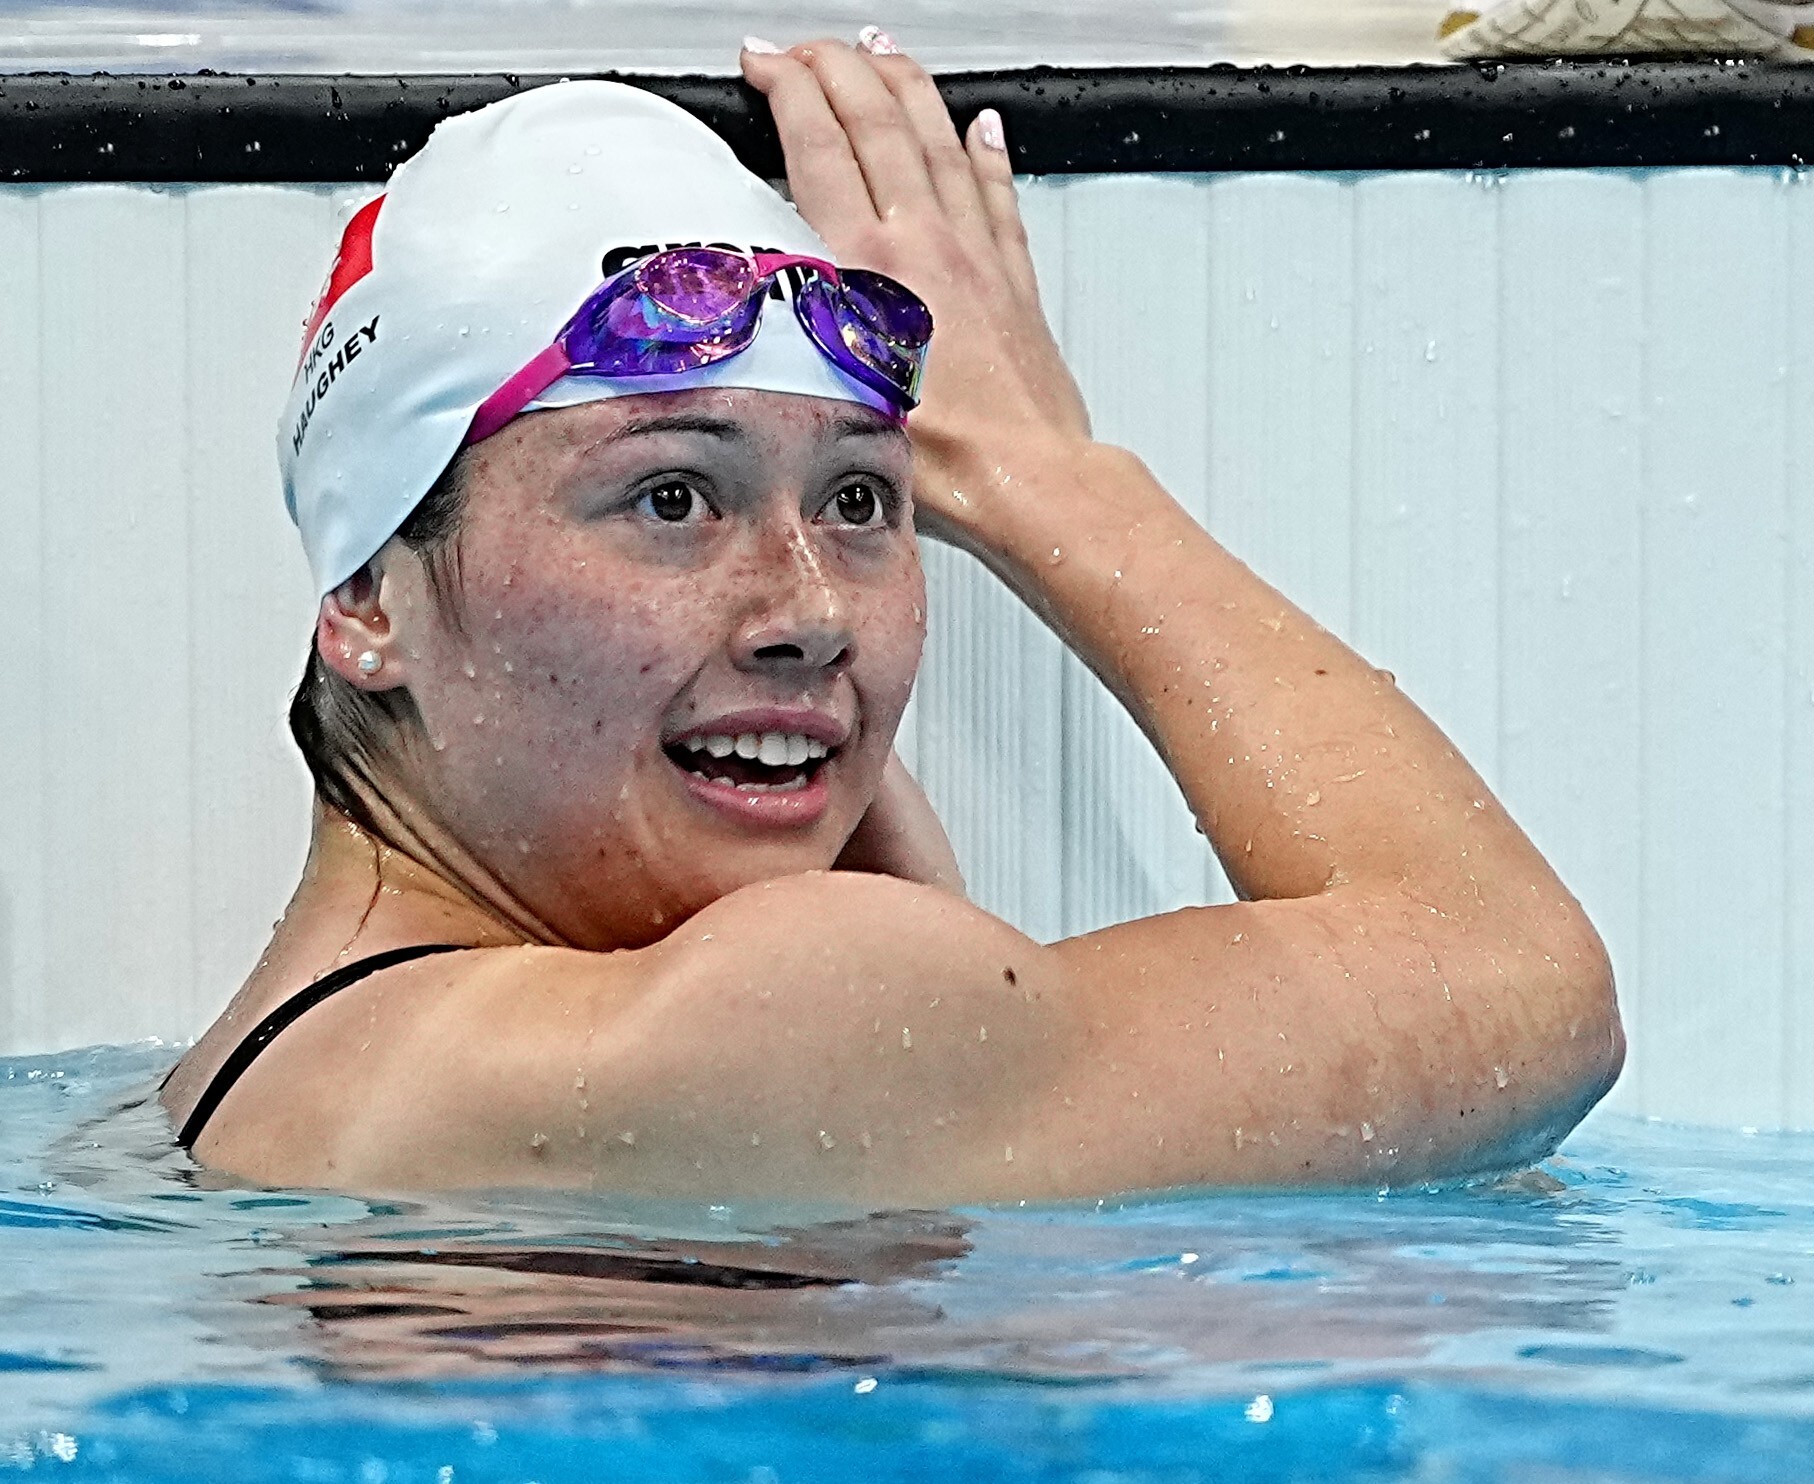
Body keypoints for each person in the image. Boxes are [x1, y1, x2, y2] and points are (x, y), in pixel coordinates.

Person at [158, 31, 1623, 1202]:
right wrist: (1049, 474)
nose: (809, 612)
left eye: (862, 501)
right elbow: (1512, 989)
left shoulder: (243, 1096)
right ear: (365, 601)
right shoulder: (760, 1035)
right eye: (671, 499)